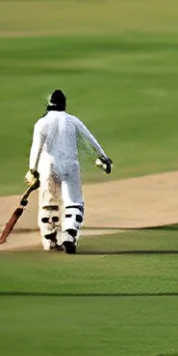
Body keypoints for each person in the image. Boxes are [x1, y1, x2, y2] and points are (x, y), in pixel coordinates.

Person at [26, 90, 112, 254]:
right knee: (74, 202)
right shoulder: (72, 120)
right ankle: (69, 233)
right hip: (71, 165)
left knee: (49, 203)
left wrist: (32, 170)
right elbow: (90, 139)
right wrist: (104, 157)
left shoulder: (42, 123)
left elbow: (36, 148)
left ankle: (50, 240)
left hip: (49, 166)